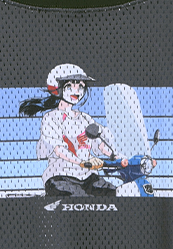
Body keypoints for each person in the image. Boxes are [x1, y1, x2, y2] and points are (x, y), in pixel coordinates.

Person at [23, 64, 119, 198]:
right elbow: (58, 149)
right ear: (57, 89)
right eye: (70, 86)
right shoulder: (51, 118)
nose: (77, 91)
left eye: (81, 86)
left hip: (88, 177)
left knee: (115, 193)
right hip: (60, 176)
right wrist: (82, 162)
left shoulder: (85, 119)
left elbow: (100, 143)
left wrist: (115, 156)